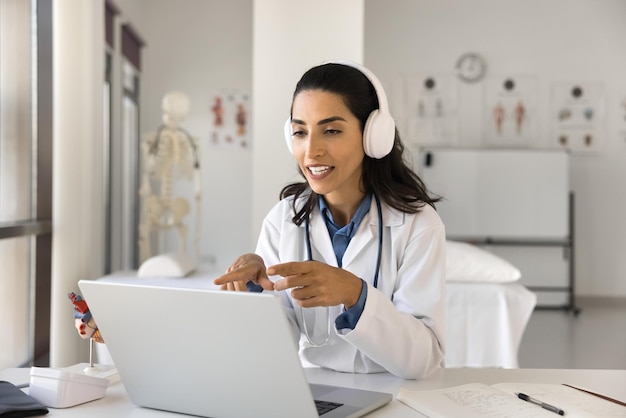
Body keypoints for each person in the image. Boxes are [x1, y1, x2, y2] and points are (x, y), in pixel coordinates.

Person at [214, 61, 446, 380]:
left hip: (396, 394)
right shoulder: (284, 219)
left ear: (372, 135)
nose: (311, 151)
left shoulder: (418, 223)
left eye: (331, 130)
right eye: (299, 132)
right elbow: (271, 350)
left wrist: (355, 294)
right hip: (314, 392)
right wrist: (256, 292)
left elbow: (423, 359)